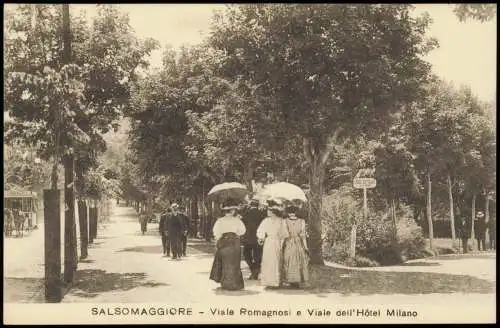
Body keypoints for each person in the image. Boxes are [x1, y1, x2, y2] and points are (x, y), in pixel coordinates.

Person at [209, 198, 246, 291]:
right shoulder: (237, 220)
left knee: (225, 262)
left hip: (224, 241)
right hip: (234, 242)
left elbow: (216, 232)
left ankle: (225, 282)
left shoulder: (220, 220)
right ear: (232, 210)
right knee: (235, 262)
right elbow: (242, 231)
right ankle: (235, 283)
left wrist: (218, 240)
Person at [256, 198, 288, 289]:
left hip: (271, 241)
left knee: (272, 261)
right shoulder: (280, 221)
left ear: (273, 211)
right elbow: (284, 234)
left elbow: (260, 231)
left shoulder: (268, 221)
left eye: (268, 210)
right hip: (274, 241)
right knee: (272, 261)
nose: (267, 212)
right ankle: (273, 281)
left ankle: (273, 281)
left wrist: (261, 238)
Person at [281, 204, 309, 288]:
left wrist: (281, 246)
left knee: (289, 260)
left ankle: (291, 280)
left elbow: (284, 235)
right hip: (298, 242)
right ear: (295, 212)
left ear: (288, 212)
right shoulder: (302, 221)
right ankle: (298, 280)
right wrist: (306, 247)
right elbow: (303, 235)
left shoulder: (285, 221)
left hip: (289, 242)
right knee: (299, 260)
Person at [241, 199, 266, 280]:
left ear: (250, 205)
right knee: (258, 256)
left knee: (246, 255)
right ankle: (255, 271)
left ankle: (252, 269)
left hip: (247, 238)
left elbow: (242, 226)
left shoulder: (245, 214)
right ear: (258, 205)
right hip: (258, 238)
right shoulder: (262, 214)